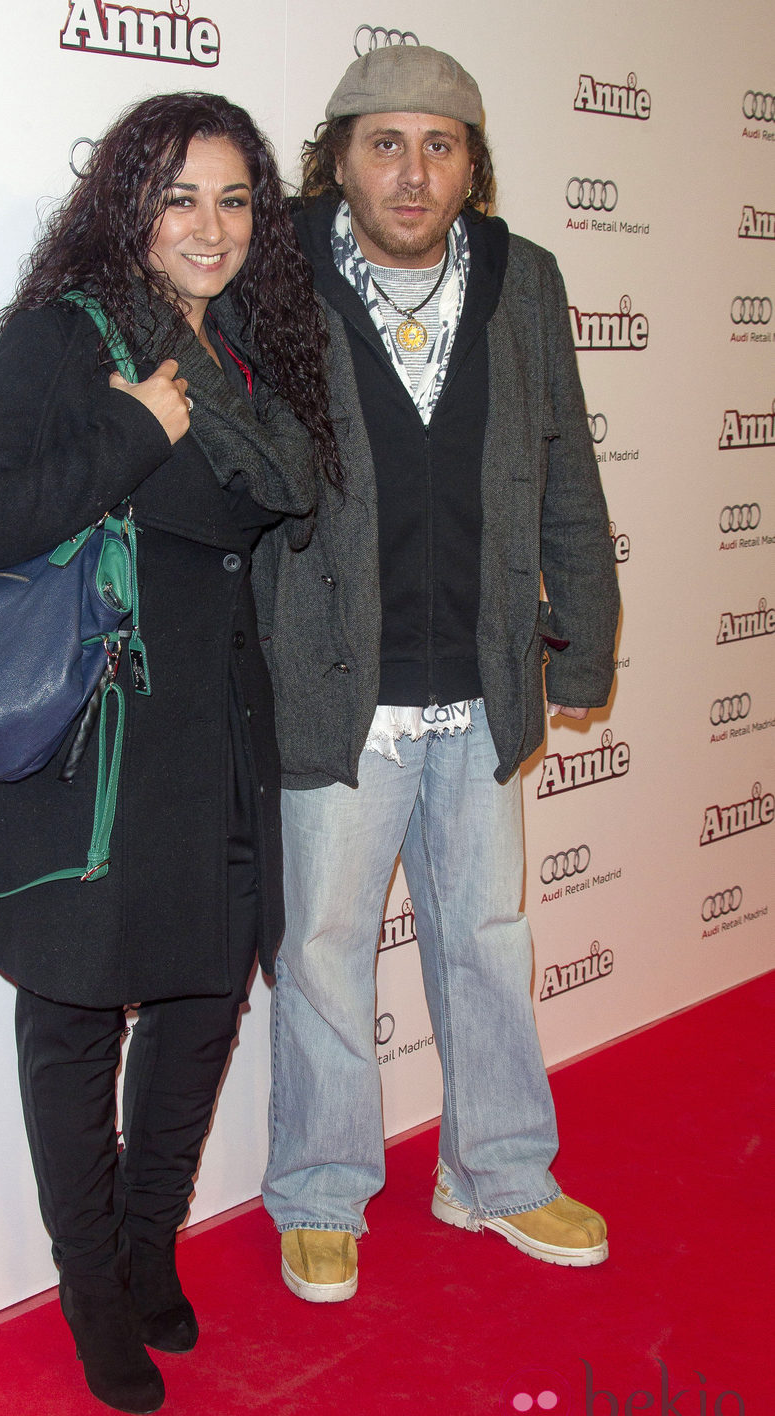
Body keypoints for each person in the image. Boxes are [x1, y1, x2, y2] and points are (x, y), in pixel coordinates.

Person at [0, 92, 340, 1412]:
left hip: (217, 729)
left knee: (200, 997)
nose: (209, 227)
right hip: (95, 744)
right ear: (128, 206)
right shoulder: (71, 337)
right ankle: (93, 1283)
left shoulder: (251, 366)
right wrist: (129, 431)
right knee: (70, 1016)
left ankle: (151, 1240)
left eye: (234, 200)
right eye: (179, 197)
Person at [253, 44, 620, 1302]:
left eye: (439, 144)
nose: (411, 173)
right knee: (320, 950)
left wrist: (585, 627)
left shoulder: (525, 281)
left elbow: (564, 463)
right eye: (384, 143)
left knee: (484, 937)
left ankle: (499, 1170)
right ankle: (318, 1191)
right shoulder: (272, 274)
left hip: (476, 677)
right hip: (331, 682)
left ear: (471, 163)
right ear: (339, 155)